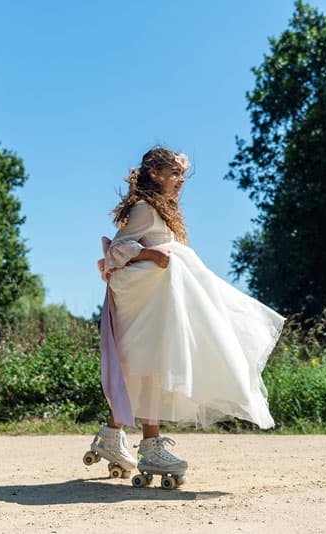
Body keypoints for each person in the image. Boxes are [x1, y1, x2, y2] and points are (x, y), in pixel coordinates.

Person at [86, 146, 285, 488]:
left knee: (145, 368)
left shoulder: (162, 210)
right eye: (174, 174)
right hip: (146, 301)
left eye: (181, 175)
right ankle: (149, 447)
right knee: (151, 366)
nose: (180, 181)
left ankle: (111, 436)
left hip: (159, 301)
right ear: (153, 175)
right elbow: (117, 250)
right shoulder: (145, 208)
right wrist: (150, 253)